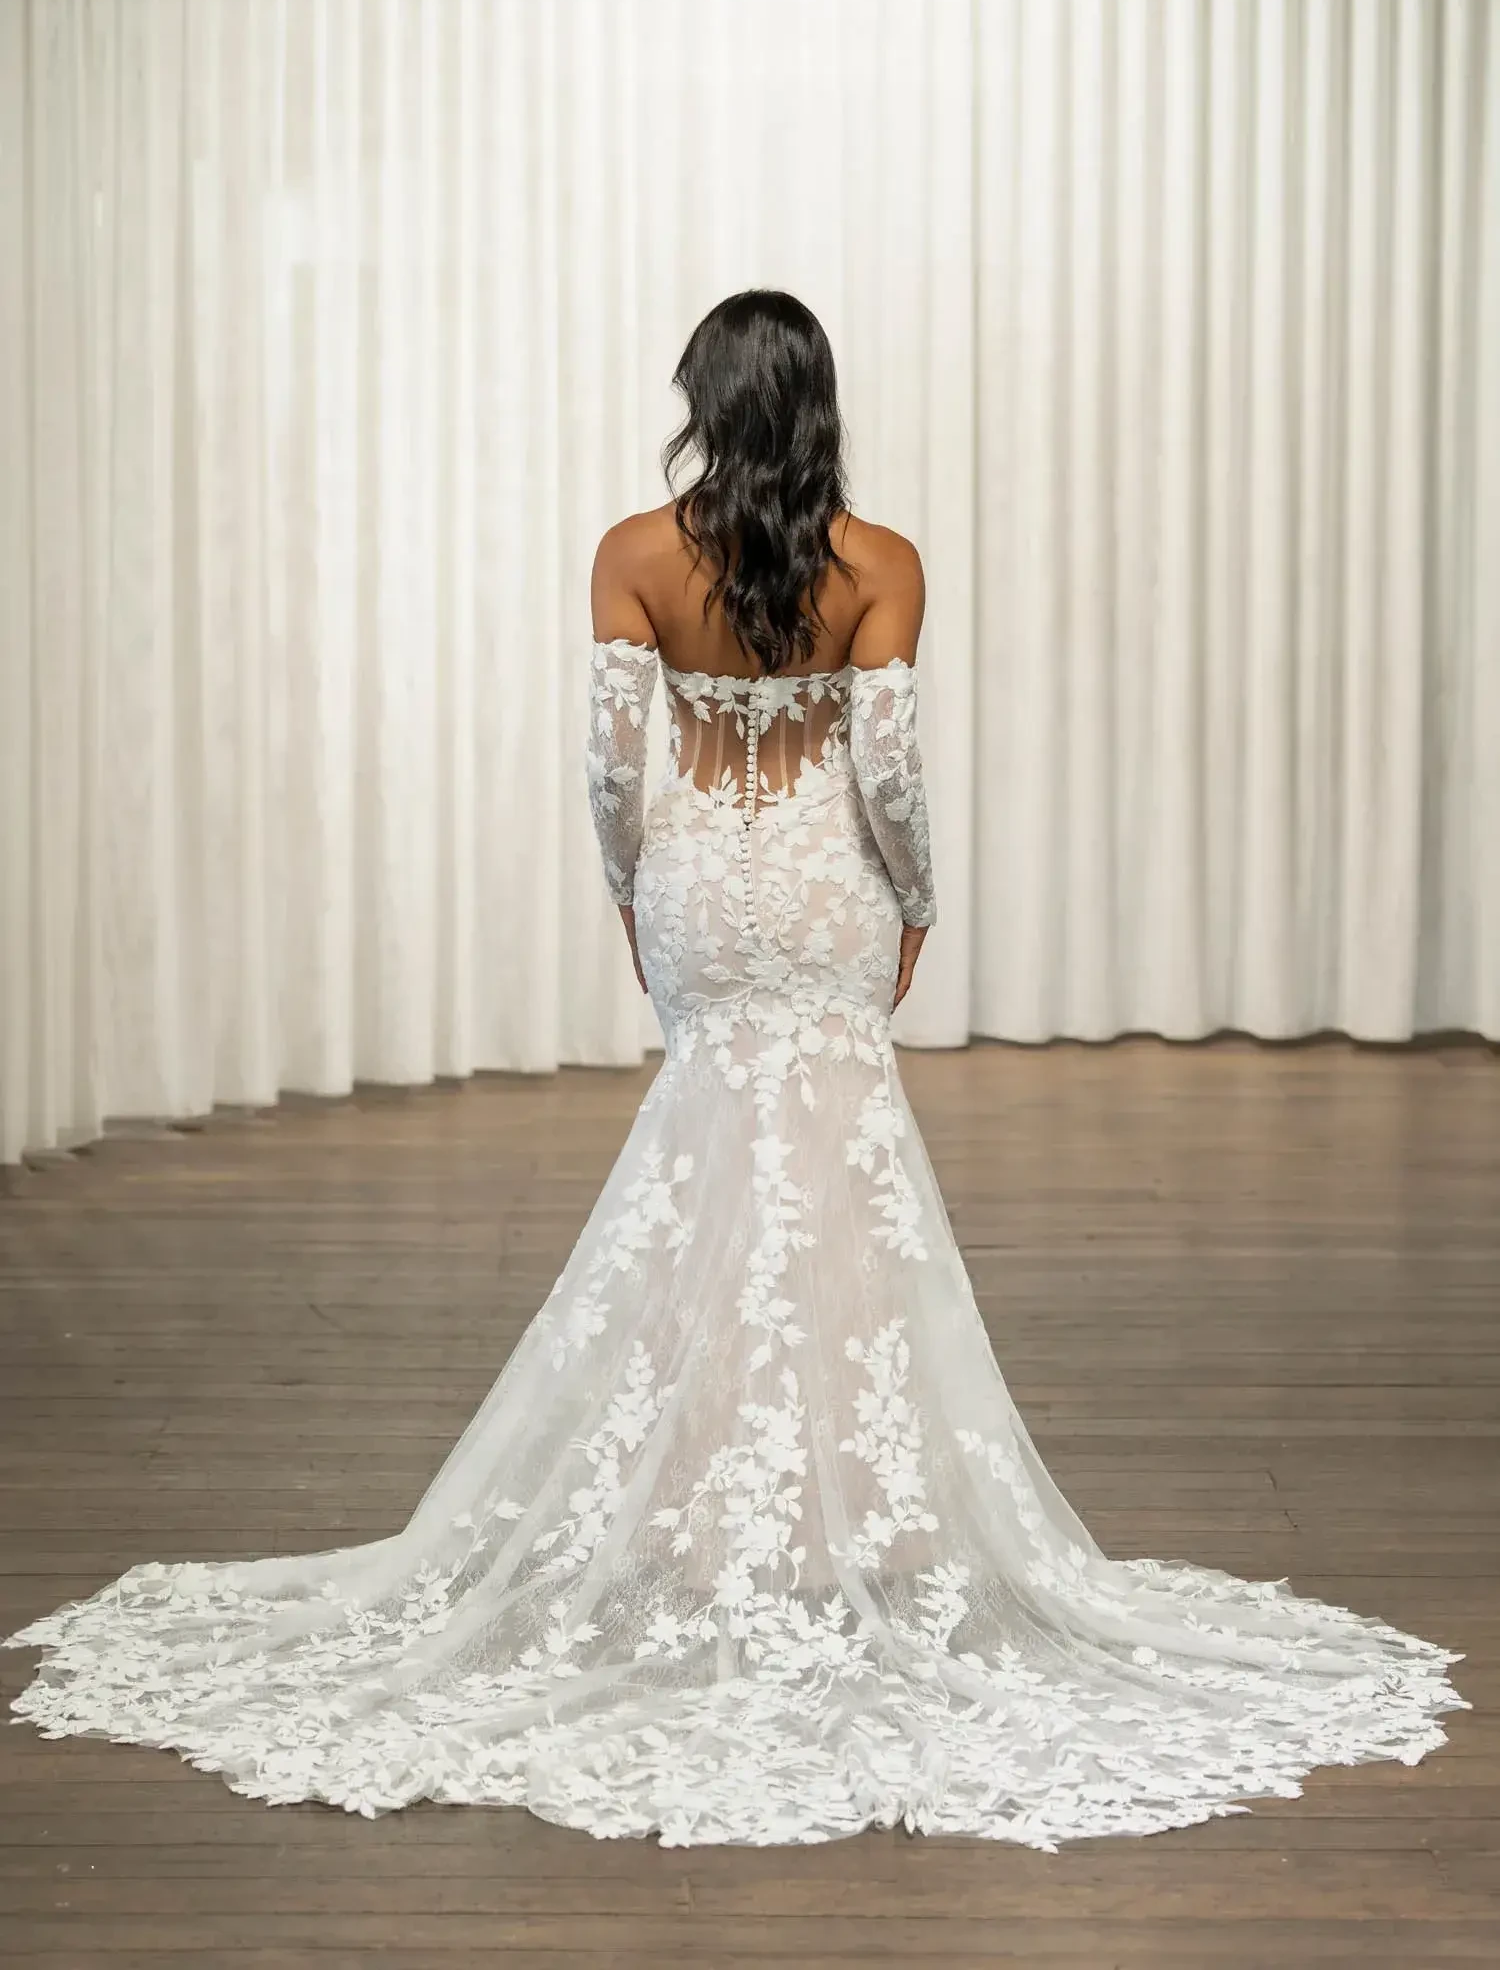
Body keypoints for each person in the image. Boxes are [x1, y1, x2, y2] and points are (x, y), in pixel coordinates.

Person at [4, 290, 1466, 1848]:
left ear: (702, 394)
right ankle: (835, 1507)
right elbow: (889, 771)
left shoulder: (635, 554)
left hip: (705, 880)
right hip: (826, 881)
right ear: (821, 401)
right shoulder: (880, 565)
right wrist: (917, 899)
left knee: (707, 1160)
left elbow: (609, 766)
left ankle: (708, 1512)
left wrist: (635, 892)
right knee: (837, 1179)